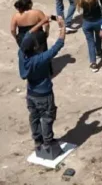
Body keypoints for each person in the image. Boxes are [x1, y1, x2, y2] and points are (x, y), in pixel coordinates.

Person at [19, 15, 65, 159]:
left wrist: (41, 22)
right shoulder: (39, 59)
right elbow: (58, 45)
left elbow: (28, 34)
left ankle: (37, 140)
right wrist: (62, 27)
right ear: (34, 47)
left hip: (31, 93)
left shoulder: (21, 54)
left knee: (34, 117)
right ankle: (48, 142)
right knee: (47, 117)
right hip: (44, 94)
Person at [76, 0, 102, 72]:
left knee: (90, 42)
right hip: (98, 21)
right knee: (99, 37)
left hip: (87, 23)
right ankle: (98, 51)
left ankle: (93, 63)